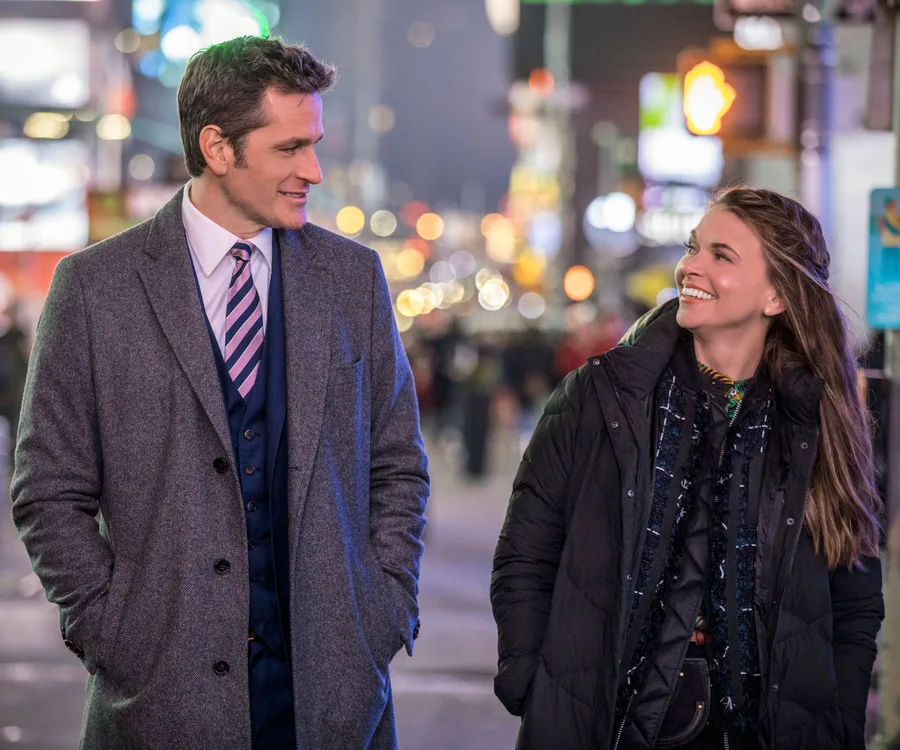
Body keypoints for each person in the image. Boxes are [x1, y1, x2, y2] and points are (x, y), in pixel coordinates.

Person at [12, 36, 428, 750]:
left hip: (331, 694)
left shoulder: (351, 280)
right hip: (159, 700)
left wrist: (381, 609)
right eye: (290, 148)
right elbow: (47, 489)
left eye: (315, 144)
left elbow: (398, 462)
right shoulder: (93, 289)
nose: (314, 170)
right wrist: (110, 628)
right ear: (218, 146)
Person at [491, 187, 883, 750]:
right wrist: (533, 681)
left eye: (721, 256)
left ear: (776, 295)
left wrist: (839, 724)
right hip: (605, 724)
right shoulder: (599, 398)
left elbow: (854, 601)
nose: (689, 266)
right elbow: (525, 553)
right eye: (693, 247)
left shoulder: (818, 419)